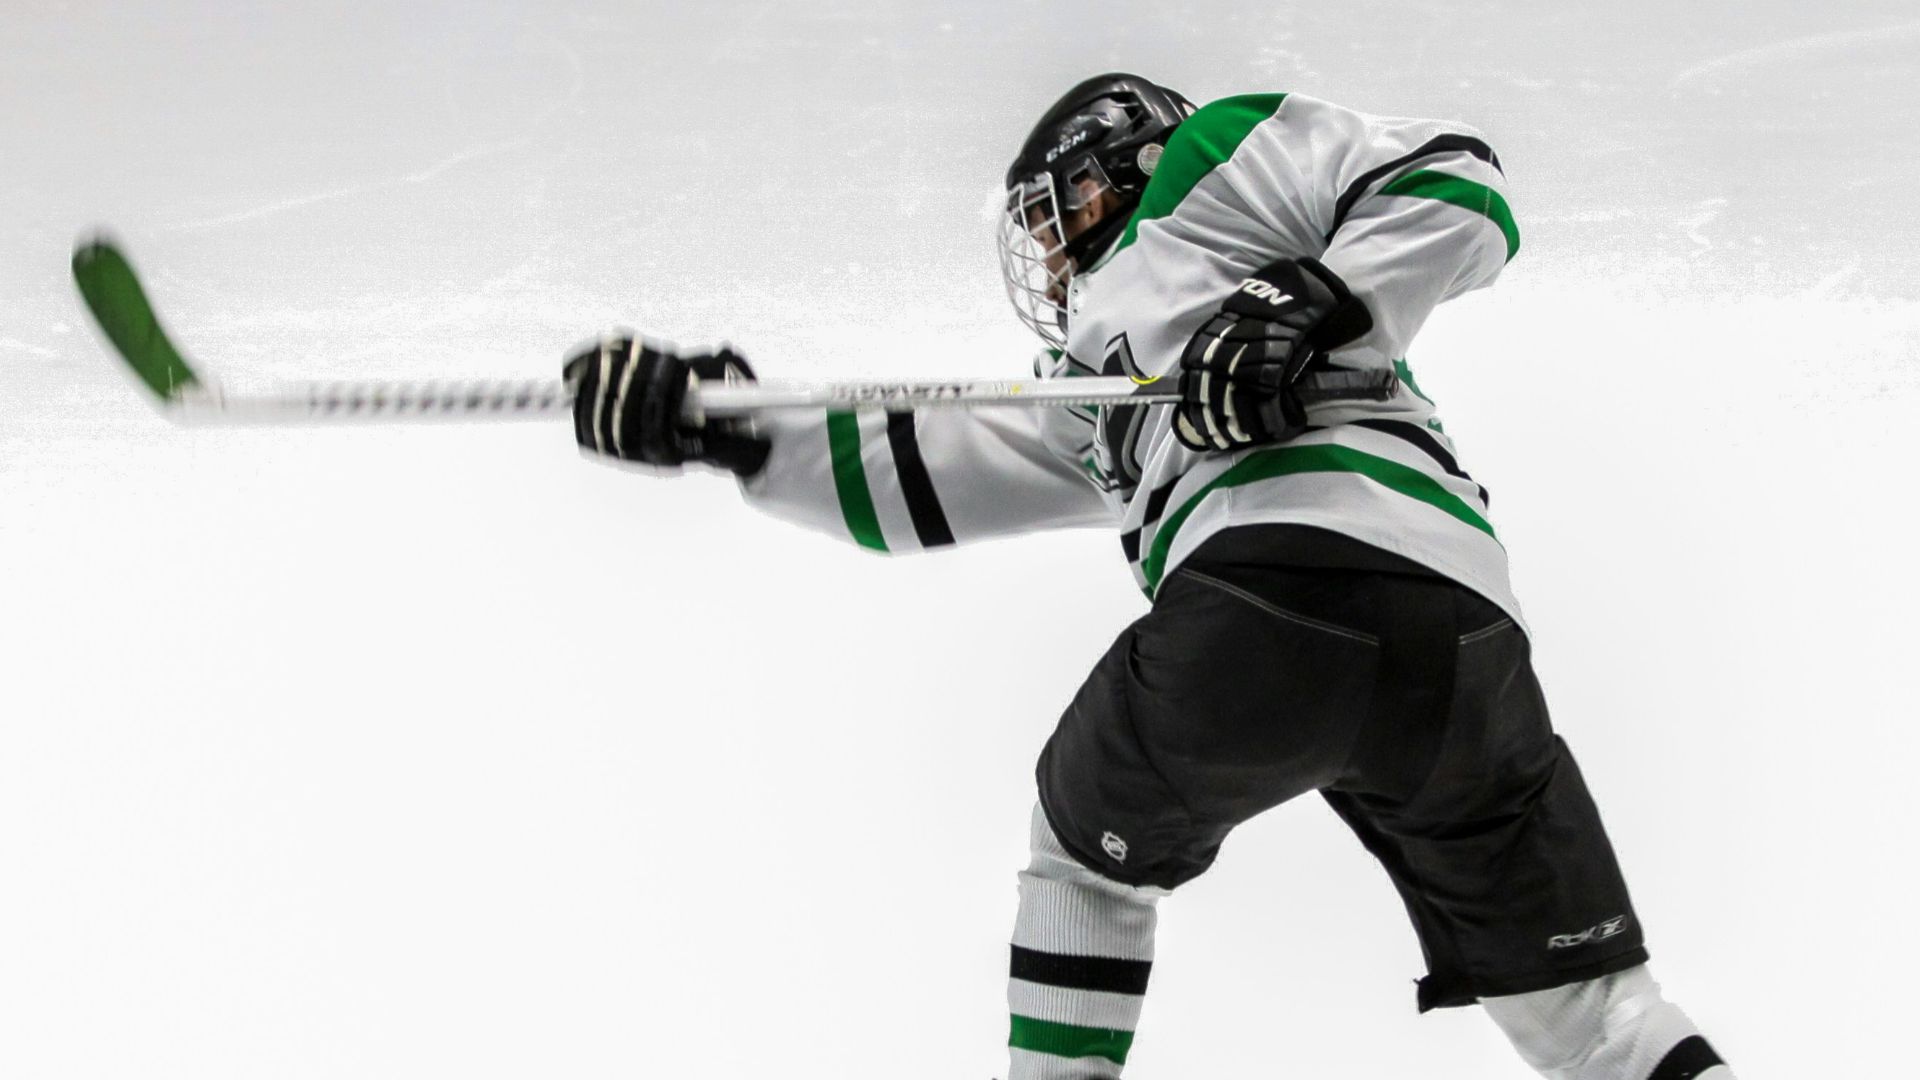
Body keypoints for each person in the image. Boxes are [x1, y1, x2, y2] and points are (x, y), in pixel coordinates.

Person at [564, 74, 1734, 1080]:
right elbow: (920, 473)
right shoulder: (1095, 389)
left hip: (1269, 598)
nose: (1054, 248)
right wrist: (729, 429)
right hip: (1464, 643)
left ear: (1112, 162)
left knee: (1083, 850)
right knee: (1599, 1020)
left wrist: (1308, 299)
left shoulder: (1214, 162)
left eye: (1057, 211)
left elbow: (1460, 180)